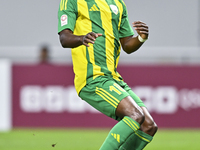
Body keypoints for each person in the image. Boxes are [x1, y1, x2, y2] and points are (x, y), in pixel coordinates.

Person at [58, 0, 157, 149]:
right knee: (135, 115)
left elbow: (127, 45)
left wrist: (141, 38)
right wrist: (81, 38)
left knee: (148, 126)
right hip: (92, 78)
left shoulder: (118, 3)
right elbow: (64, 38)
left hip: (113, 78)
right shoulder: (72, 1)